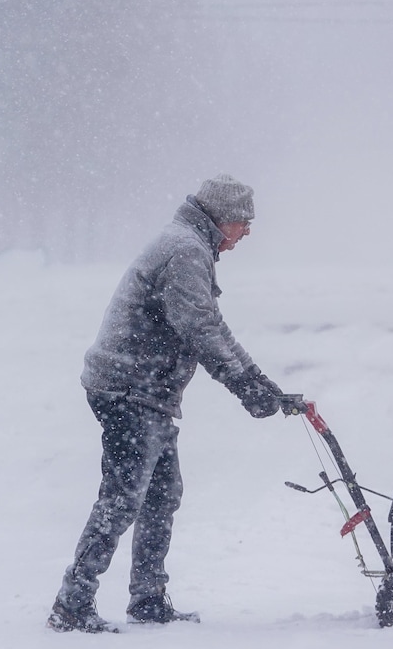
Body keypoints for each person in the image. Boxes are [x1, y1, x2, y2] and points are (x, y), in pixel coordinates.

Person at [47, 174, 286, 633]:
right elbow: (202, 333)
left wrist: (260, 382)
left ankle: (148, 598)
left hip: (145, 391)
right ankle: (72, 604)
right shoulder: (185, 253)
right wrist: (251, 391)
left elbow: (212, 326)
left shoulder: (190, 246)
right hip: (130, 388)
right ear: (221, 218)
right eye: (243, 222)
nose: (248, 232)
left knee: (161, 492)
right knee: (123, 498)